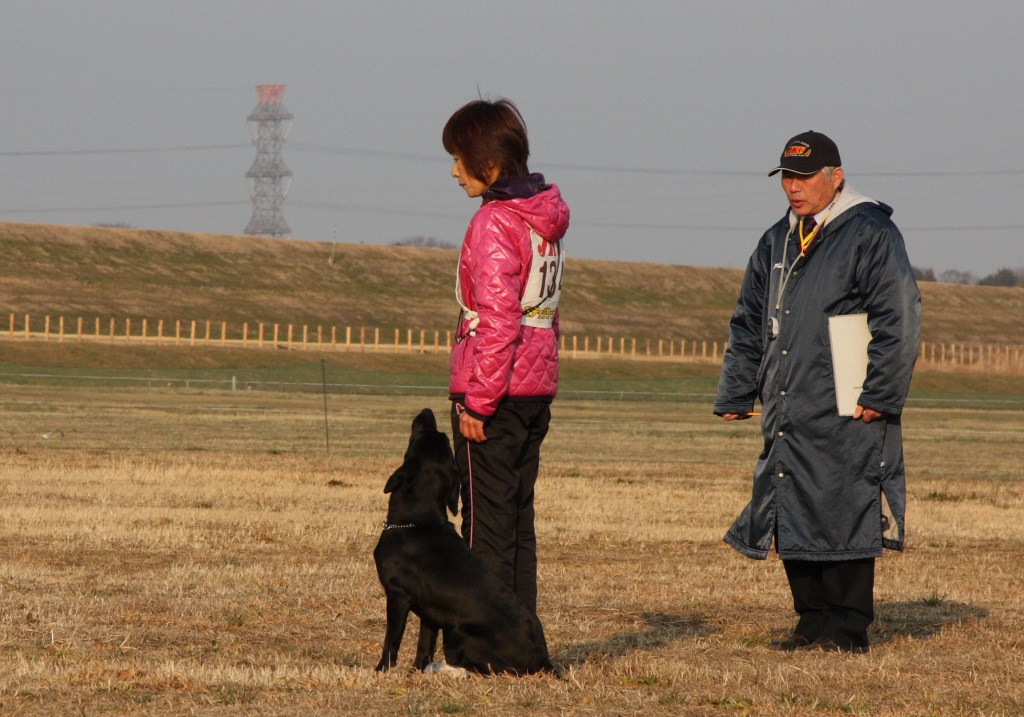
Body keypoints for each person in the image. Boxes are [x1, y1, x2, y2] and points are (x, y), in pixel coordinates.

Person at [714, 130, 921, 653]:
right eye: (786, 176)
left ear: (836, 176)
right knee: (792, 500)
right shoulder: (775, 240)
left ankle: (847, 627)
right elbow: (748, 320)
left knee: (845, 502)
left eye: (804, 177)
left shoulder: (871, 232)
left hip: (849, 402)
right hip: (789, 400)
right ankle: (810, 621)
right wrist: (738, 390)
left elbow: (899, 315)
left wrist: (882, 391)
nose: (793, 187)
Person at [442, 98, 570, 614]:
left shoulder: (494, 222)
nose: (453, 171)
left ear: (488, 164)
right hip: (534, 390)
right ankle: (520, 643)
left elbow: (498, 320)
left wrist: (478, 401)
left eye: (458, 157)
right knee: (517, 523)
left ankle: (480, 651)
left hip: (495, 394)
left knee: (483, 528)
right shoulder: (544, 219)